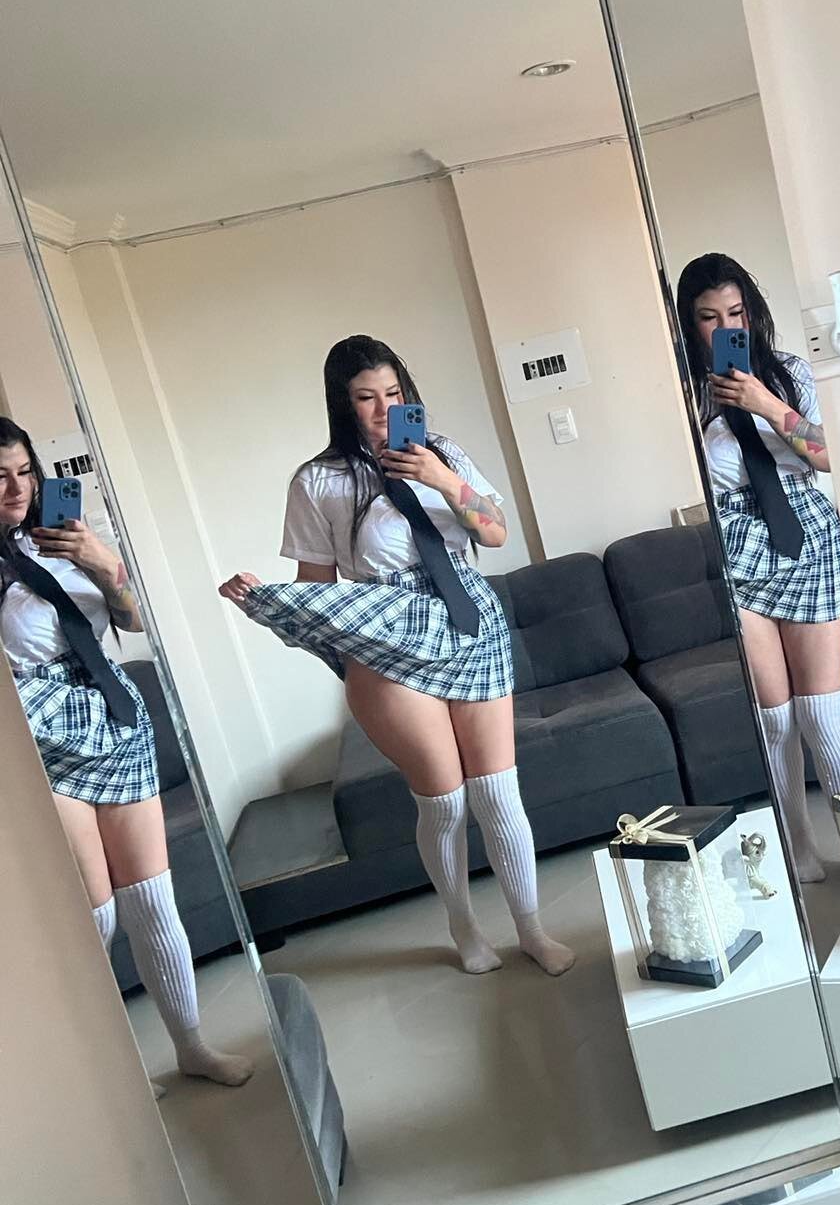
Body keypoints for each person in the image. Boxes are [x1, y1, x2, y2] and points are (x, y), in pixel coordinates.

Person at [219, 334, 573, 977]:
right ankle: (464, 927)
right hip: (388, 632)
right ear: (343, 404)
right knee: (445, 801)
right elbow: (317, 589)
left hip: (468, 618)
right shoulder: (318, 481)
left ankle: (532, 929)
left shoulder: (446, 452)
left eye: (393, 393)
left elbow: (494, 533)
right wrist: (269, 607)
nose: (384, 409)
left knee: (499, 793)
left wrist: (441, 477)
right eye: (366, 398)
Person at [0, 417, 252, 1088]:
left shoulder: (70, 539)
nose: (17, 489)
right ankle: (112, 1079)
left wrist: (96, 559)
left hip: (111, 710)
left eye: (25, 473)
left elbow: (134, 617)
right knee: (95, 912)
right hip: (38, 729)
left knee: (153, 899)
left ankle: (191, 1047)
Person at [675, 253, 840, 882]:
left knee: (822, 711)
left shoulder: (788, 372)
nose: (725, 327)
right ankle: (798, 849)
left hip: (804, 528)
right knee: (775, 718)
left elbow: (829, 455)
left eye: (735, 312)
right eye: (709, 317)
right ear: (690, 324)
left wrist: (763, 402)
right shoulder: (685, 396)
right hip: (737, 542)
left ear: (751, 313)